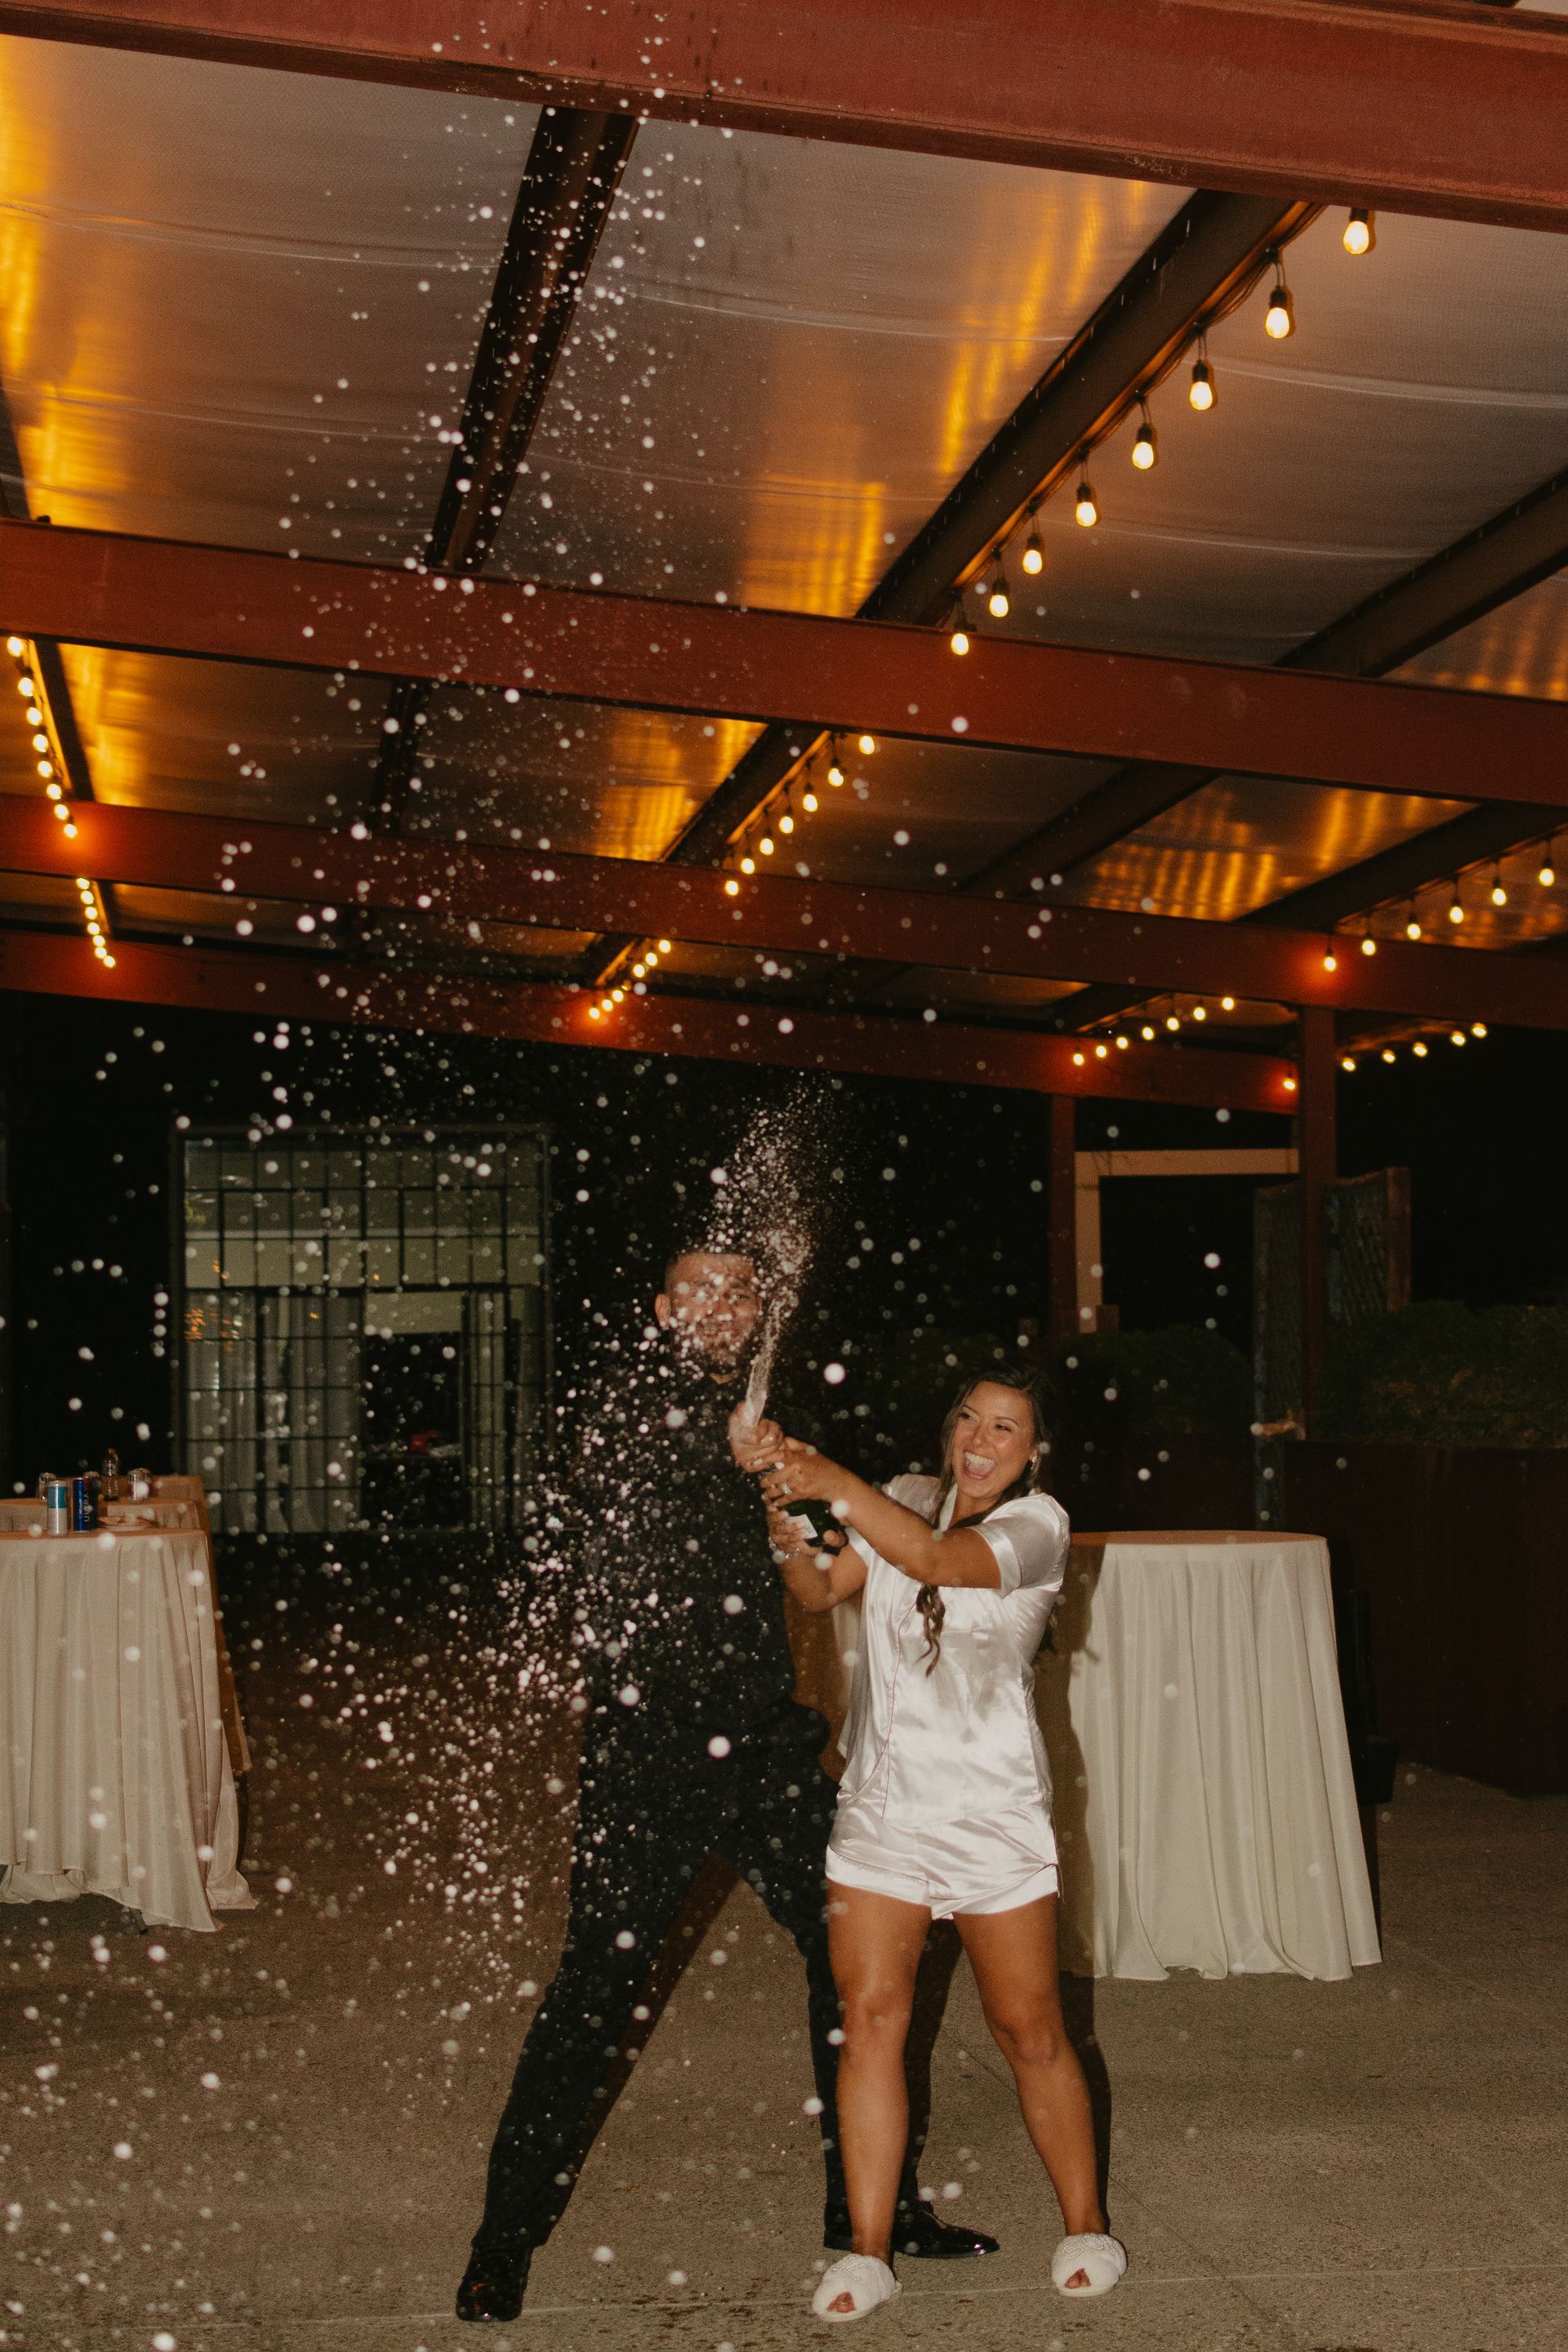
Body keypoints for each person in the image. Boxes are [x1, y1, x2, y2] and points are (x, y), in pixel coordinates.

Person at [455, 1244, 997, 2323]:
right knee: (593, 1995)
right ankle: (503, 2241)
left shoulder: (764, 1418)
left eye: (746, 1290)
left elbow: (808, 1573)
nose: (729, 1305)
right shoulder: (625, 1403)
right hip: (649, 1753)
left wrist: (834, 1506)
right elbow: (618, 1487)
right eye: (703, 1287)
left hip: (762, 1747)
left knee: (862, 1954)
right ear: (662, 1307)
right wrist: (745, 1456)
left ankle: (868, 2211)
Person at [744, 1365, 1126, 2319]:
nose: (982, 1440)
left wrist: (827, 1476)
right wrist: (781, 1507)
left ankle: (1086, 2223)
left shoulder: (1040, 1526)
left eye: (1007, 1427)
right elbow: (822, 1587)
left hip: (991, 1814)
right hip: (881, 1808)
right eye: (969, 1417)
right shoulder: (908, 1496)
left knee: (1027, 2030)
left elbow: (938, 1564)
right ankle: (867, 2250)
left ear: (1035, 1449)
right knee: (871, 2019)